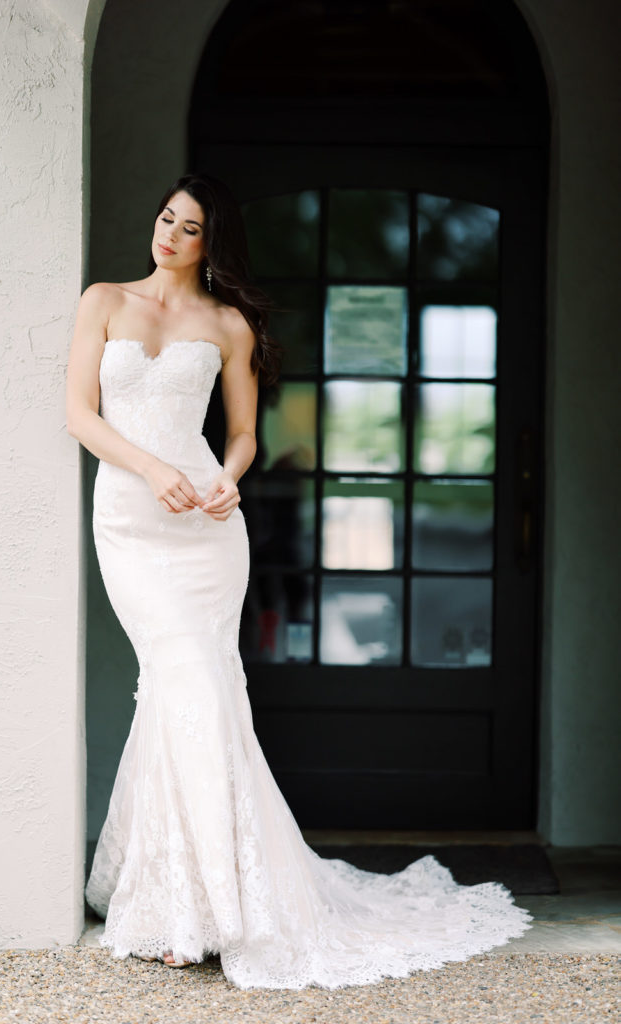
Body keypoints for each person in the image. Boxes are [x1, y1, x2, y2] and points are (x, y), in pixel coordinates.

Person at [65, 172, 532, 991]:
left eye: (190, 227)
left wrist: (227, 479)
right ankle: (179, 896)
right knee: (182, 686)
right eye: (164, 218)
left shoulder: (226, 321)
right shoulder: (103, 299)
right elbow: (80, 414)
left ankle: (194, 904)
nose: (168, 235)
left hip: (206, 527)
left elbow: (241, 433)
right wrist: (148, 468)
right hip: (131, 522)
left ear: (214, 243)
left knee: (198, 692)